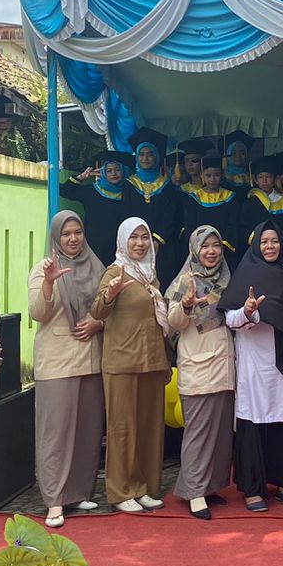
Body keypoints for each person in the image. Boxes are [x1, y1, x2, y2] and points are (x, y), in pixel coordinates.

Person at [218, 220, 283, 511]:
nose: (270, 246)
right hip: (254, 360)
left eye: (275, 241)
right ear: (256, 244)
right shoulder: (246, 272)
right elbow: (229, 320)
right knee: (254, 421)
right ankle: (253, 488)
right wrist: (248, 311)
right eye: (264, 241)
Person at [27, 212, 106, 529]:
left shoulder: (96, 266)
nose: (73, 239)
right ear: (56, 237)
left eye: (78, 232)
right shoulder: (43, 268)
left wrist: (98, 322)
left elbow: (108, 308)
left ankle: (78, 492)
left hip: (91, 359)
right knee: (56, 434)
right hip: (58, 362)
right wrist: (48, 283)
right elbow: (37, 312)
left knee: (87, 432)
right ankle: (55, 499)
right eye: (66, 234)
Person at [91, 217, 173, 514]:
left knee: (149, 428)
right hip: (123, 361)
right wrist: (111, 293)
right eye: (133, 238)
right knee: (122, 428)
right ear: (122, 241)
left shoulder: (150, 275)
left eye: (144, 237)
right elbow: (98, 310)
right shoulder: (115, 271)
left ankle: (145, 487)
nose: (140, 243)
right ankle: (121, 490)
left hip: (151, 360)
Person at [166, 225, 237, 520]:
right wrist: (184, 305)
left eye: (216, 246)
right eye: (205, 246)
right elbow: (171, 323)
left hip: (224, 363)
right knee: (198, 431)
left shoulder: (227, 278)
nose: (211, 251)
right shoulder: (186, 280)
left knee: (221, 432)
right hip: (197, 363)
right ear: (195, 249)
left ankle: (211, 486)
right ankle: (194, 492)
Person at [124, 127, 184, 287]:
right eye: (141, 154)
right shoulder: (129, 184)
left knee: (163, 282)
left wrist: (157, 239)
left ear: (157, 157)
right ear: (136, 157)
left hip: (163, 246)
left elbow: (171, 214)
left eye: (150, 154)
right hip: (135, 243)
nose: (145, 158)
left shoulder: (167, 185)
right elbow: (125, 214)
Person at [59, 149, 132, 266]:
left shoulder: (130, 194)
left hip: (119, 250)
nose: (113, 173)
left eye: (118, 170)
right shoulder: (92, 191)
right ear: (103, 172)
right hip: (92, 249)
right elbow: (64, 191)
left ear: (124, 171)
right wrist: (82, 177)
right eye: (109, 170)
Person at [182, 153, 242, 264]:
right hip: (200, 251)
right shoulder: (194, 199)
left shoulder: (231, 198)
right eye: (208, 175)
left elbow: (233, 224)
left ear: (222, 175)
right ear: (201, 176)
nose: (212, 179)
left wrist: (220, 246)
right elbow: (190, 225)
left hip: (225, 251)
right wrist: (201, 247)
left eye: (216, 175)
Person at [241, 155, 283, 248]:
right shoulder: (249, 204)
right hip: (255, 249)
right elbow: (243, 228)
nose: (264, 180)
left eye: (268, 177)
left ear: (275, 179)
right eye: (261, 177)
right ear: (256, 180)